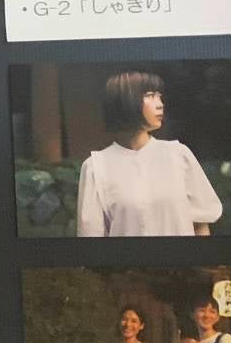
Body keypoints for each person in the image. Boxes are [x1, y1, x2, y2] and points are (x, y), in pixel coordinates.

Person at [76, 70, 221, 236]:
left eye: (159, 96)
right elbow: (92, 237)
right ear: (125, 100)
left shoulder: (178, 154)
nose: (160, 104)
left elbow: (201, 226)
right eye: (150, 96)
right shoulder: (96, 167)